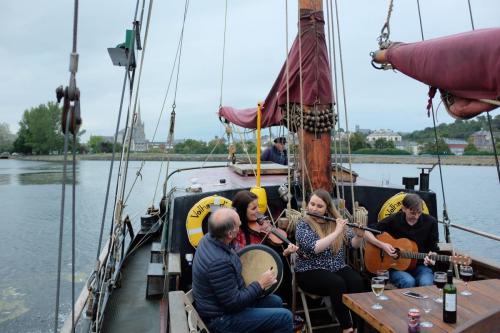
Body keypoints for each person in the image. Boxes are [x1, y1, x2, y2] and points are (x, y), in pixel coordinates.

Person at [192, 207, 293, 333]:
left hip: (220, 305)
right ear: (230, 234)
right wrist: (260, 284)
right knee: (285, 317)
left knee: (276, 301)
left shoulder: (209, 238)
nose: (240, 226)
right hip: (221, 319)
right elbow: (234, 303)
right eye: (238, 225)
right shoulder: (219, 263)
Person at [295, 189, 365, 333]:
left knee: (357, 281)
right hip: (310, 270)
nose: (314, 208)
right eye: (312, 204)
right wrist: (337, 232)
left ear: (327, 208)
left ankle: (359, 327)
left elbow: (353, 245)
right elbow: (314, 248)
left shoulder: (335, 222)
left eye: (319, 206)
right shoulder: (302, 224)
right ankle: (347, 328)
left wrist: (359, 236)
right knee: (337, 283)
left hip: (336, 266)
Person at [364, 193, 439, 288]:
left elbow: (434, 249)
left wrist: (431, 258)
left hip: (421, 266)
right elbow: (366, 232)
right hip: (395, 266)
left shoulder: (431, 222)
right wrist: (382, 245)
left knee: (426, 283)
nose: (416, 216)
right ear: (403, 209)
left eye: (419, 212)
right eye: (412, 213)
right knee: (408, 282)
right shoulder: (394, 219)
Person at [232, 190, 298, 256]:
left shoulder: (260, 225)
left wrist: (285, 253)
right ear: (242, 211)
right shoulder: (235, 233)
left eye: (258, 206)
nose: (258, 210)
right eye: (254, 208)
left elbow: (268, 257)